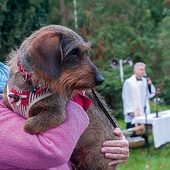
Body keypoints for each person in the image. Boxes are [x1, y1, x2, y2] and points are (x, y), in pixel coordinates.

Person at [0, 62, 129, 169]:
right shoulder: (12, 86)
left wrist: (109, 143)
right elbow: (52, 152)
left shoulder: (11, 76)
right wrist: (76, 100)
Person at [122, 62, 156, 130]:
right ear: (135, 70)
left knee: (144, 130)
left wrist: (149, 84)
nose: (143, 71)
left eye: (144, 69)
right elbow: (126, 96)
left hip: (144, 110)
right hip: (134, 110)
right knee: (134, 129)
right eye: (141, 69)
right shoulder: (129, 82)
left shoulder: (145, 81)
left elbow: (151, 94)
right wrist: (130, 110)